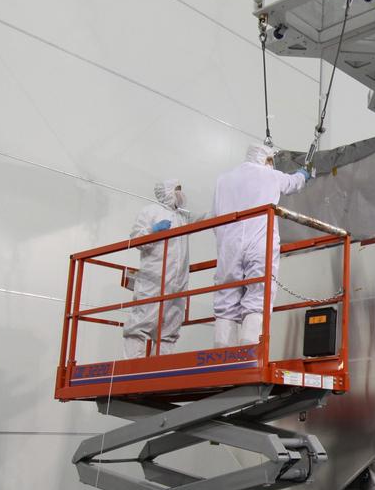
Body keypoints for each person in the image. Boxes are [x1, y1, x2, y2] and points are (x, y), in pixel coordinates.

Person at [211, 145, 310, 347]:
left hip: (229, 244)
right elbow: (293, 183)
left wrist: (224, 240)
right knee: (258, 296)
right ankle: (250, 351)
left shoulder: (224, 179)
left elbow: (214, 214)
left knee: (226, 299)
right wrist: (303, 174)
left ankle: (223, 355)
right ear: (266, 159)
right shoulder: (270, 175)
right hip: (259, 243)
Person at [123, 180, 196, 358]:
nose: (181, 194)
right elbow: (136, 239)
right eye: (178, 190)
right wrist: (153, 230)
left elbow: (203, 218)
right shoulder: (150, 211)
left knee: (170, 327)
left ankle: (160, 368)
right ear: (168, 191)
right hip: (154, 277)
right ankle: (132, 367)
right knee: (142, 321)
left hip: (178, 280)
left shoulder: (182, 217)